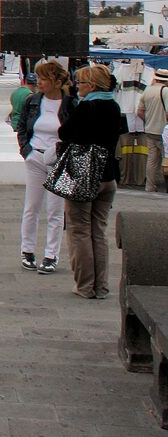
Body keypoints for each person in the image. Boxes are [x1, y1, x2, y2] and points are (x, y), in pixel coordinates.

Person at [57, 64, 129, 299]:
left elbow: (65, 133)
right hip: (108, 173)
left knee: (79, 230)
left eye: (82, 83)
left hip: (83, 172)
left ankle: (85, 285)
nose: (78, 87)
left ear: (93, 85)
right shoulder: (114, 106)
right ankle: (102, 286)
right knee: (98, 231)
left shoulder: (87, 107)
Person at [14, 60, 73, 274]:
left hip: (60, 160)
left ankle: (51, 255)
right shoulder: (32, 101)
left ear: (56, 82)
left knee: (55, 210)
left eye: (43, 79)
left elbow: (73, 133)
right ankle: (27, 250)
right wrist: (26, 151)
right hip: (36, 157)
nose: (38, 82)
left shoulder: (70, 104)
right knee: (32, 206)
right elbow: (22, 127)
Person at [135, 67, 168, 194]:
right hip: (163, 131)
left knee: (152, 160)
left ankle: (150, 186)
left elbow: (139, 112)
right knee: (166, 159)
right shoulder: (166, 91)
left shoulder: (147, 90)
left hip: (149, 130)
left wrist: (148, 121)